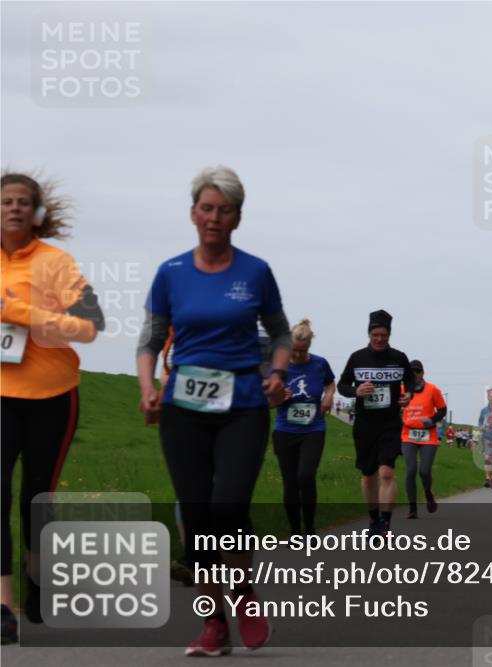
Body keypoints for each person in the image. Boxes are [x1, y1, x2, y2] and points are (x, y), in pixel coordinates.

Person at [137, 166, 291, 655]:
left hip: (243, 403)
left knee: (229, 505)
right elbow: (151, 339)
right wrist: (147, 387)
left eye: (224, 210)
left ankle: (243, 593)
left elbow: (282, 334)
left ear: (237, 218)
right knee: (197, 513)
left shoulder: (256, 272)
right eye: (206, 208)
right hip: (184, 407)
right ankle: (213, 623)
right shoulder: (172, 273)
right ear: (193, 213)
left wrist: (278, 372)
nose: (214, 217)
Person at [1, 173, 104, 645]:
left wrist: (24, 314)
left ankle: (38, 577)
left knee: (36, 498)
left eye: (24, 202)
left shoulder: (56, 263)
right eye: (6, 202)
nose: (15, 209)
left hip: (52, 395)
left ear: (38, 213)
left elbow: (89, 326)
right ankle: (3, 607)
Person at [337, 310, 413, 538]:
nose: (379, 339)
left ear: (389, 335)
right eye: (375, 335)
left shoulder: (399, 358)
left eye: (384, 335)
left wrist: (408, 393)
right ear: (369, 334)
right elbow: (342, 385)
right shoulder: (357, 358)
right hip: (364, 423)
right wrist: (356, 391)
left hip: (390, 422)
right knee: (369, 474)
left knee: (387, 473)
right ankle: (373, 518)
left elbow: (409, 379)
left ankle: (386, 524)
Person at [272, 319, 335, 536]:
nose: (296, 355)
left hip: (313, 429)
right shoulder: (278, 366)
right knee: (290, 483)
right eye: (294, 350)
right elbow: (267, 401)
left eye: (302, 351)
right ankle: (295, 531)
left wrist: (328, 397)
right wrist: (278, 397)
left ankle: (309, 528)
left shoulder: (319, 364)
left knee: (306, 476)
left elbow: (330, 382)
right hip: (284, 431)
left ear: (309, 347)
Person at [400, 360, 447, 518]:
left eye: (417, 372)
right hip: (409, 434)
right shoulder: (402, 389)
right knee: (411, 470)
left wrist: (432, 420)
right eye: (411, 372)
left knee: (424, 471)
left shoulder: (432, 389)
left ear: (422, 373)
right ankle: (412, 508)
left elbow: (442, 409)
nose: (415, 375)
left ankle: (428, 493)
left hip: (428, 435)